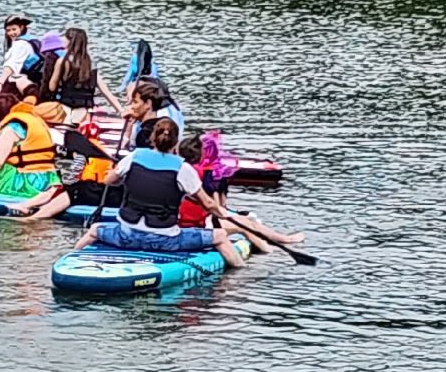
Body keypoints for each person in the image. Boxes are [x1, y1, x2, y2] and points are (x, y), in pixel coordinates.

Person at [71, 118, 244, 268]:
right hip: (165, 241)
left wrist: (115, 175)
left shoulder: (133, 157)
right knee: (220, 236)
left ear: (153, 138)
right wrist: (228, 216)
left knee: (94, 230)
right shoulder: (183, 168)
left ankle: (70, 261)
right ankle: (241, 274)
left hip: (127, 235)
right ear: (175, 143)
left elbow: (109, 181)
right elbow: (208, 204)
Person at [175, 132, 303, 252]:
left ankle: (281, 241)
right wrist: (225, 214)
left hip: (195, 221)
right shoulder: (199, 174)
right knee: (245, 226)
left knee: (248, 222)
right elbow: (212, 204)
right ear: (200, 154)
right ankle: (272, 251)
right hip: (197, 225)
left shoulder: (182, 170)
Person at [46, 27, 123, 122]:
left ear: (70, 41)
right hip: (84, 112)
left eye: (65, 37)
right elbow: (105, 91)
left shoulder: (62, 61)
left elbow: (52, 87)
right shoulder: (90, 64)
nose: (62, 39)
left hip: (64, 110)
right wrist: (121, 111)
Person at [119, 76, 184, 148]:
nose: (131, 106)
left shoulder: (144, 135)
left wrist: (126, 137)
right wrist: (128, 130)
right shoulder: (166, 119)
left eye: (134, 102)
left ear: (148, 103)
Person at [0, 13, 43, 97]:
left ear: (21, 27)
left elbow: (10, 66)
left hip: (25, 83)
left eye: (14, 29)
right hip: (35, 82)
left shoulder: (20, 44)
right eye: (8, 30)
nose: (11, 33)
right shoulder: (33, 40)